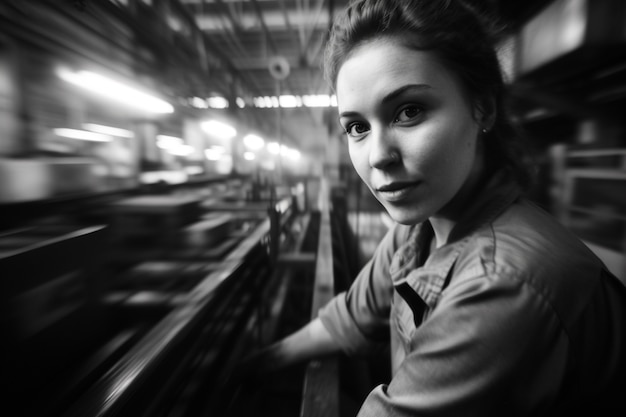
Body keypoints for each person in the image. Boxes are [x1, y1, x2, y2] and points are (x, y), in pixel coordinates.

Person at [238, 0, 626, 415]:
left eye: (409, 111)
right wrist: (259, 363)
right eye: (357, 127)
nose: (377, 156)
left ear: (483, 107)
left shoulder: (503, 283)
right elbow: (347, 319)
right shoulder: (420, 229)